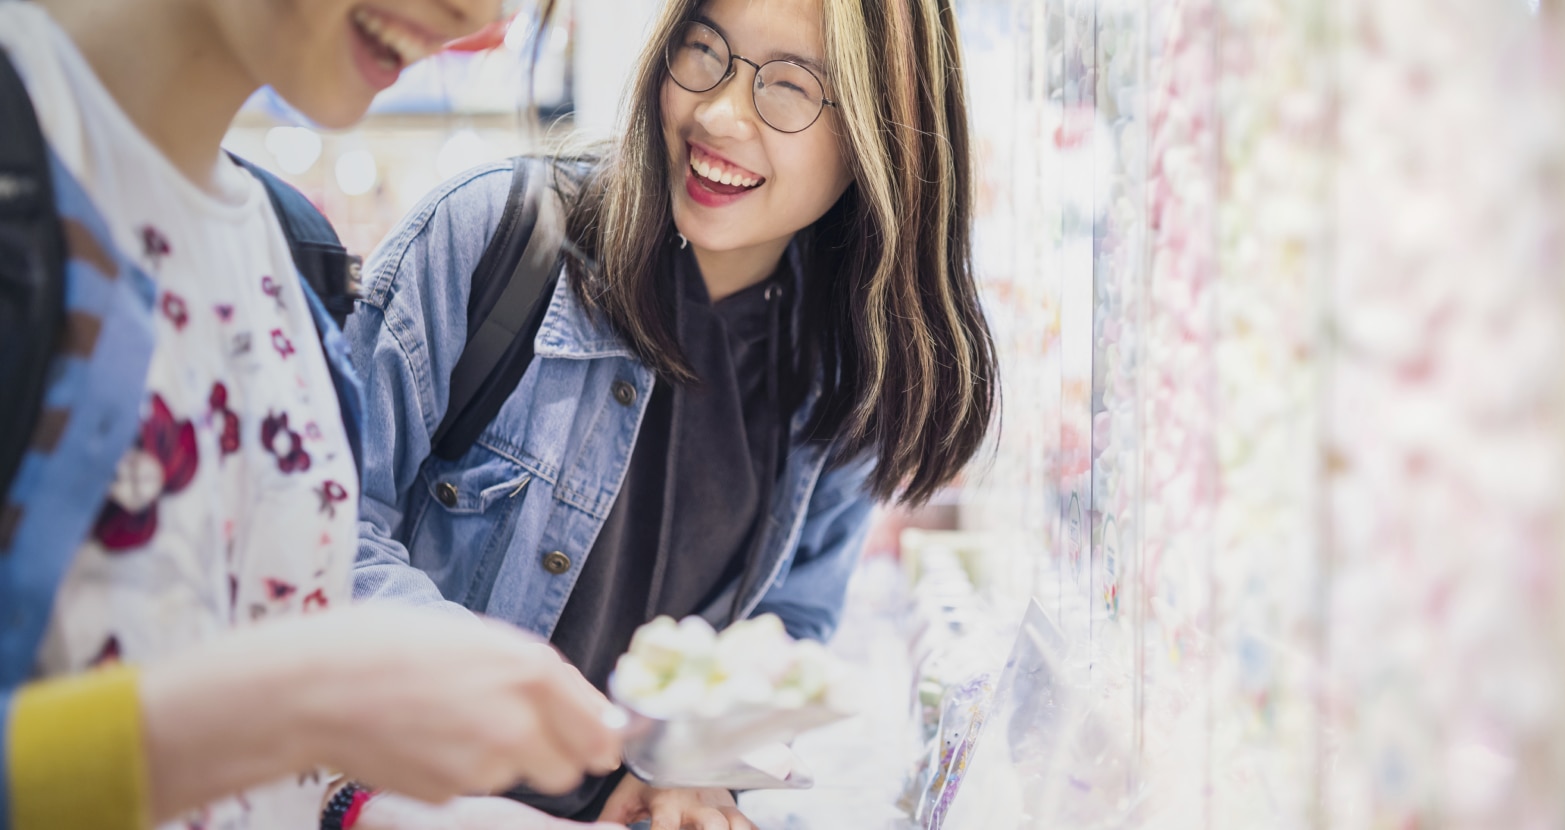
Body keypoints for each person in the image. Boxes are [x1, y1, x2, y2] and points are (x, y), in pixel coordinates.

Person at [344, 0, 998, 823]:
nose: (718, 113)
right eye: (704, 50)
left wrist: (697, 768)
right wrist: (491, 687)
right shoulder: (488, 243)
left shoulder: (844, 367)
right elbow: (318, 538)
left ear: (884, 132)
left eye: (791, 87)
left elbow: (789, 622)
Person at [0, 1, 626, 829]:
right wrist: (300, 704)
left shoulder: (286, 249)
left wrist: (372, 810)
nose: (482, 13)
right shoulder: (31, 173)